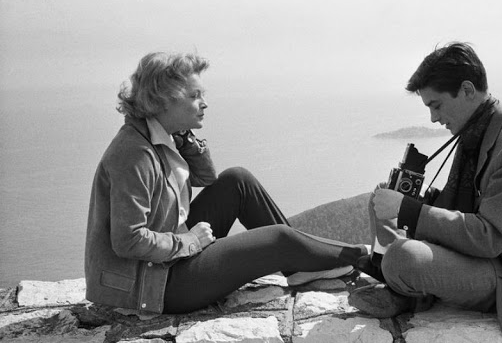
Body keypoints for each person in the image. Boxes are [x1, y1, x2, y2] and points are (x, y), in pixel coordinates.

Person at [85, 52, 367, 316]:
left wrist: (185, 139)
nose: (204, 103)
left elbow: (206, 178)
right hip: (157, 286)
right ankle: (362, 258)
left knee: (237, 180)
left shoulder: (159, 136)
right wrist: (190, 241)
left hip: (168, 261)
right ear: (163, 101)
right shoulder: (134, 154)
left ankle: (299, 267)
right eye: (194, 95)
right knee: (278, 239)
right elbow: (128, 241)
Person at [349, 42, 502, 343]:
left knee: (402, 258)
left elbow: (489, 238)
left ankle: (405, 289)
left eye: (437, 105)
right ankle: (401, 283)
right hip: (482, 261)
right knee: (379, 201)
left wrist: (409, 210)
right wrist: (411, 200)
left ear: (467, 90)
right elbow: (458, 207)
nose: (434, 118)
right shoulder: (477, 133)